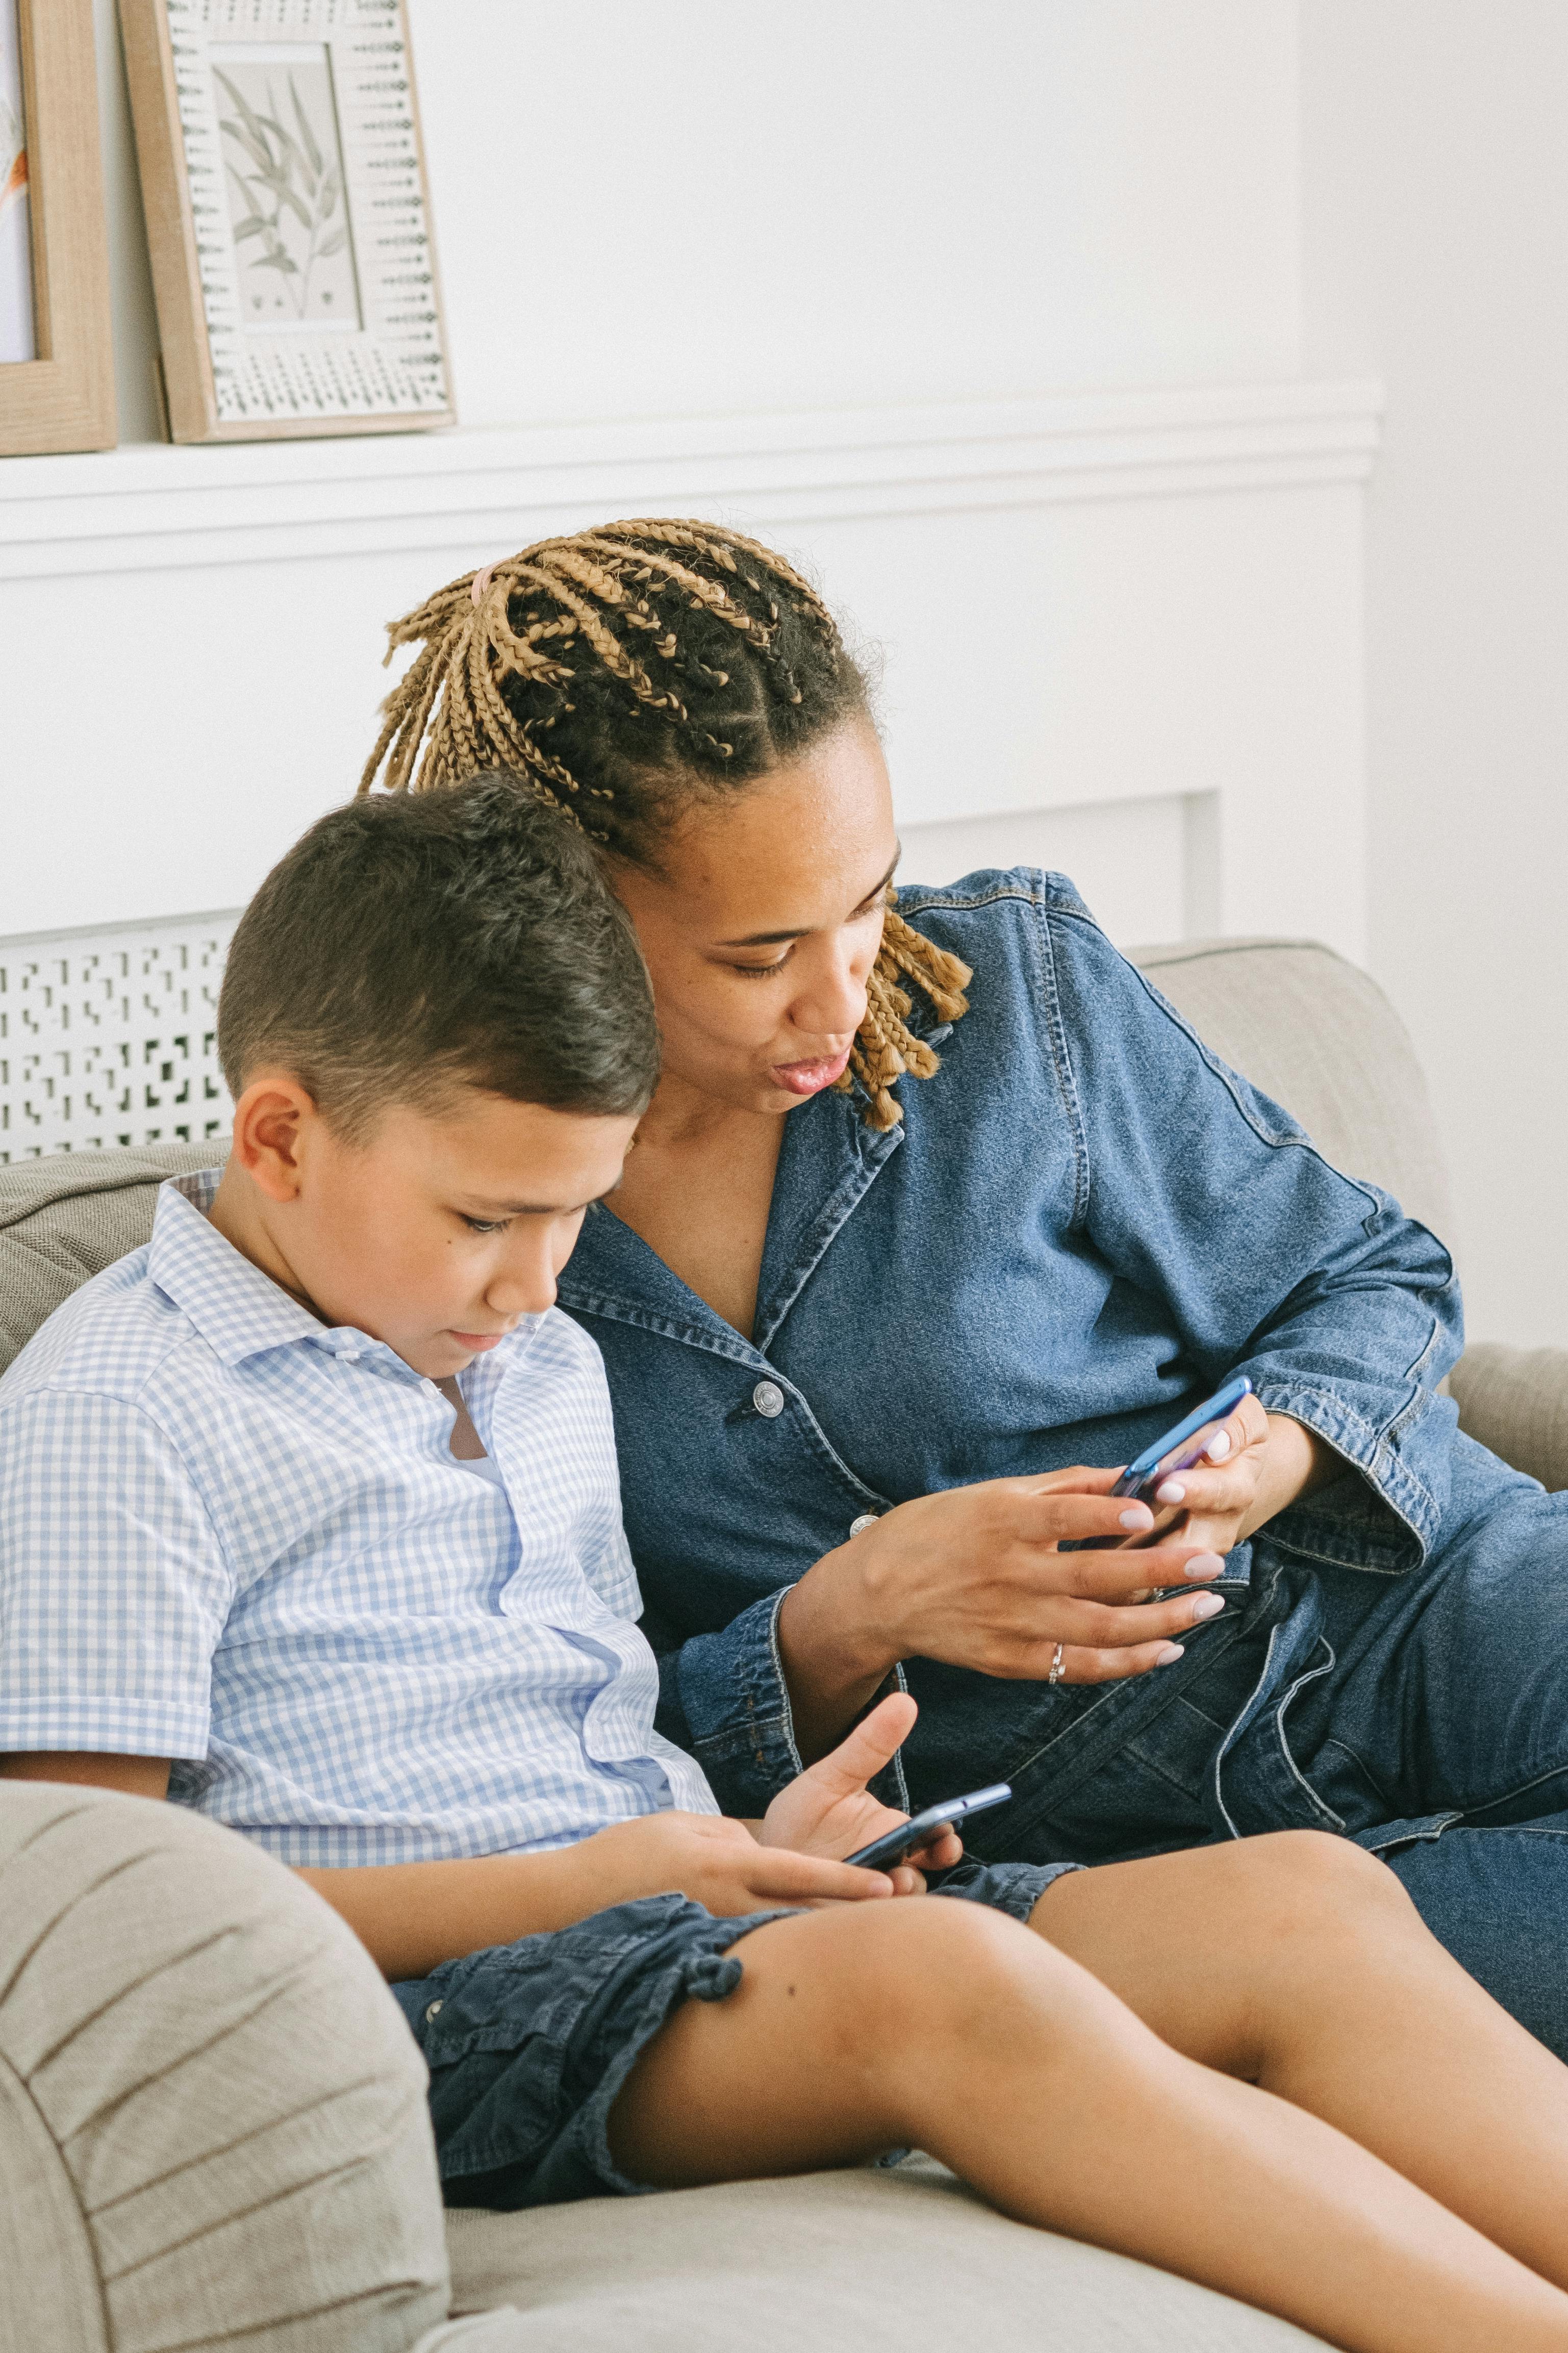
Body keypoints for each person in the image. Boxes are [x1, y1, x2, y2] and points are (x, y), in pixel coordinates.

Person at [7, 784, 1568, 2352]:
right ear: (278, 1135)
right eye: (489, 1216)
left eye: (574, 1216)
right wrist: (602, 1879)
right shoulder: (120, 1414)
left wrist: (741, 1830)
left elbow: (571, 1728)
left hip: (665, 1929)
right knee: (945, 1988)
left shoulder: (521, 1353)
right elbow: (96, 1935)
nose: (538, 1281)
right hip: (437, 2018)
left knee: (1300, 1901)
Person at [364, 519, 1568, 2065]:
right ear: (558, 910)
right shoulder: (448, 1233)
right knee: (1326, 1956)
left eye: (865, 900)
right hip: (1063, 1844)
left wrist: (1267, 1455)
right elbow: (537, 1743)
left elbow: (1366, 1275)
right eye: (758, 953)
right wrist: (843, 1615)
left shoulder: (1012, 987)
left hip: (1405, 1613)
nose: (844, 992)